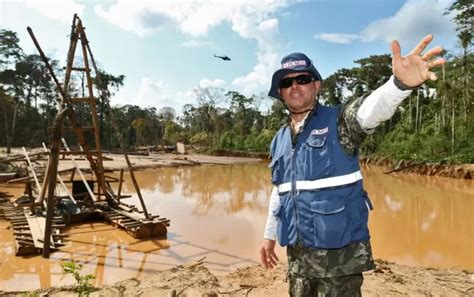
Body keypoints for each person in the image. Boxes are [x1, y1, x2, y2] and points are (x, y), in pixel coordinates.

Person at [260, 35, 445, 296]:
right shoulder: (278, 140)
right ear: (280, 91)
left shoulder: (339, 121)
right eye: (287, 82)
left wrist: (399, 86)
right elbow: (279, 192)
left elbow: (369, 110)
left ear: (316, 85)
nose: (295, 86)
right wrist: (269, 237)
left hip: (339, 262)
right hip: (298, 262)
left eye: (303, 79)